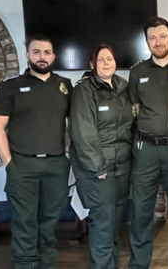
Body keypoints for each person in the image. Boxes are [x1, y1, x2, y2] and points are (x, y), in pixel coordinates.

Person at [0, 35, 72, 269]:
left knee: (49, 221)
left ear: (53, 56)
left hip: (56, 165)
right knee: (25, 222)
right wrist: (8, 162)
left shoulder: (65, 86)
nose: (42, 57)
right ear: (28, 55)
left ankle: (47, 263)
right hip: (22, 166)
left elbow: (74, 122)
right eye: (36, 52)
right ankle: (26, 264)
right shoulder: (10, 87)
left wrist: (66, 153)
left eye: (46, 52)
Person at [128, 17, 168, 268]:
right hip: (146, 150)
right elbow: (134, 109)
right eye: (152, 38)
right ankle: (138, 265)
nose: (158, 42)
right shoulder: (137, 72)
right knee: (141, 213)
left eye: (162, 36)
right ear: (146, 42)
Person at [69, 44, 135, 269]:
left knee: (114, 226)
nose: (106, 63)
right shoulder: (84, 90)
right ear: (92, 64)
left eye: (110, 59)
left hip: (123, 167)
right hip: (99, 171)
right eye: (100, 60)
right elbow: (83, 132)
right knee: (103, 226)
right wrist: (99, 167)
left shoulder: (123, 87)